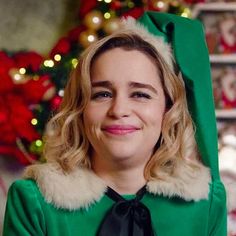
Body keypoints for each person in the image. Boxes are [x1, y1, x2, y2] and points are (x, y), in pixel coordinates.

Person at [3, 12, 227, 236]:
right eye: (102, 94)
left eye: (140, 94)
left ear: (169, 110)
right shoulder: (34, 202)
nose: (119, 110)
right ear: (80, 108)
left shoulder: (205, 205)